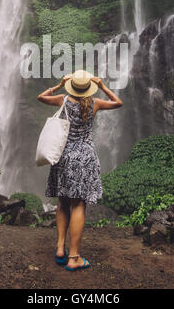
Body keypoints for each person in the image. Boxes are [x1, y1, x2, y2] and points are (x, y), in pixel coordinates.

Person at [37, 70, 123, 271]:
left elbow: (41, 97)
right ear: (89, 88)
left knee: (62, 201)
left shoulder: (62, 100)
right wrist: (102, 86)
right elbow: (118, 102)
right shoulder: (95, 104)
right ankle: (74, 257)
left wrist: (59, 84)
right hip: (84, 158)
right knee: (78, 204)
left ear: (71, 86)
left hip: (63, 156)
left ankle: (60, 248)